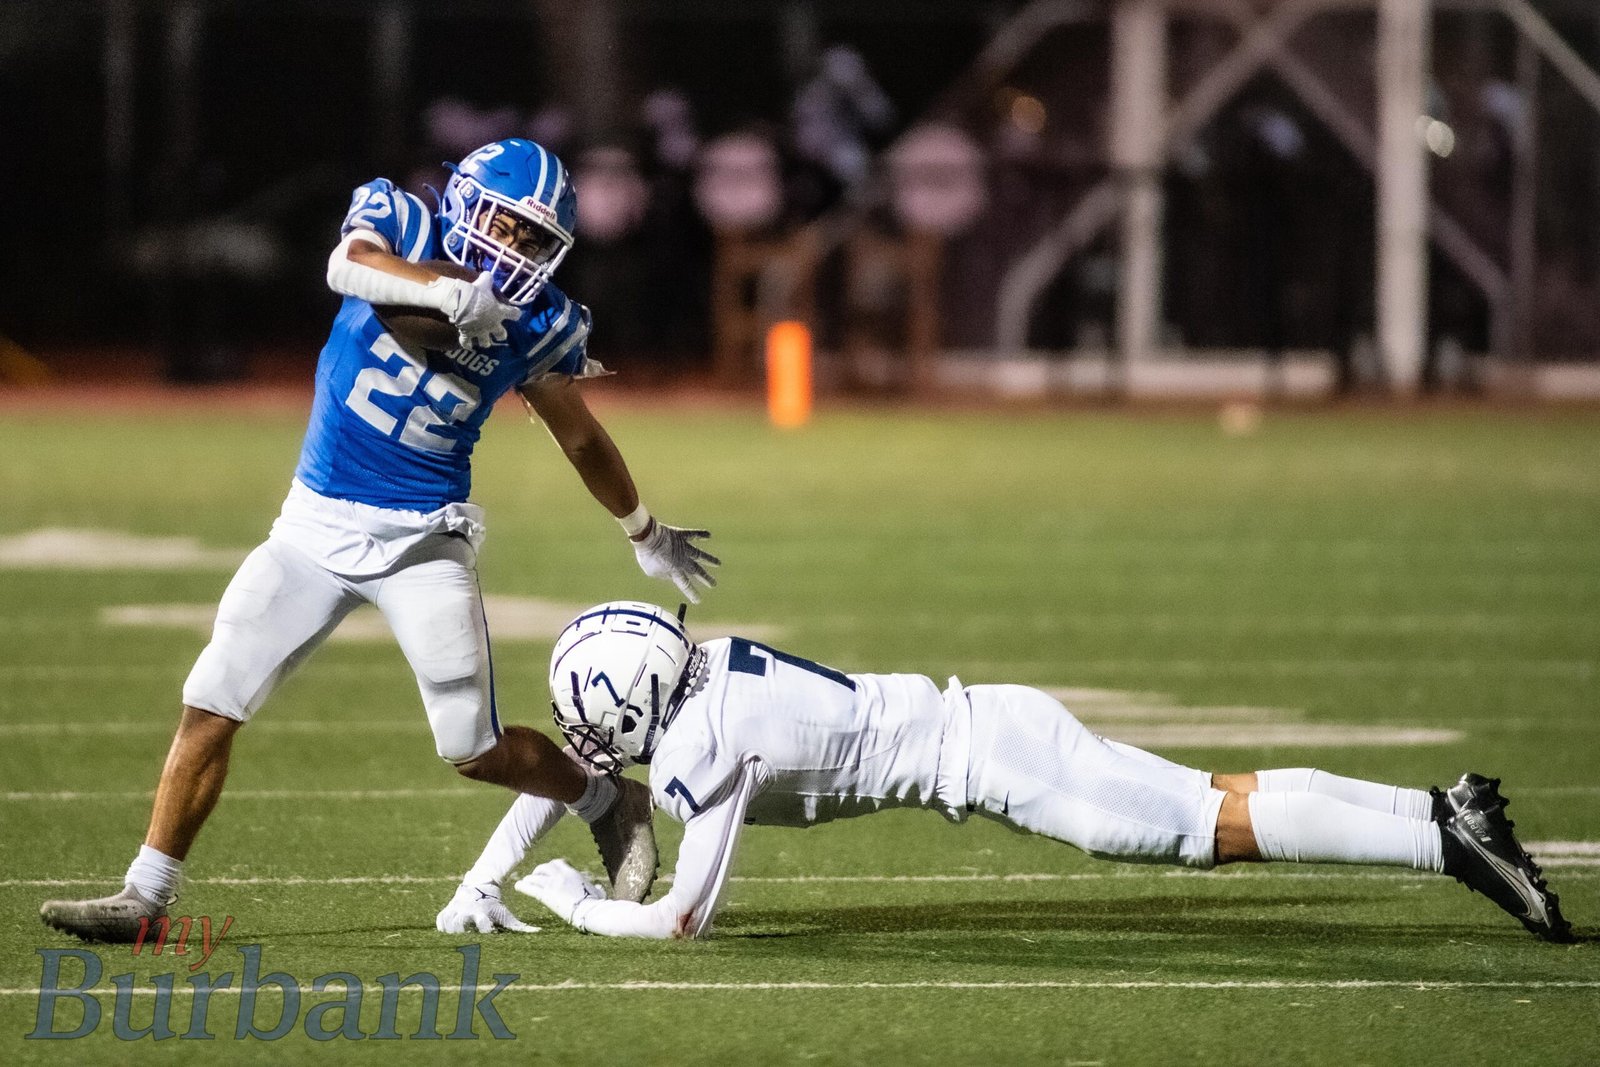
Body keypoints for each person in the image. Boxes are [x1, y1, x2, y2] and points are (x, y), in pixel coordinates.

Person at [41, 140, 720, 942]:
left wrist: (641, 527)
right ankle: (144, 897)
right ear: (467, 204)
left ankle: (609, 800)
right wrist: (452, 292)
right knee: (212, 697)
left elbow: (579, 437)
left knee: (471, 748)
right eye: (509, 225)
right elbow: (352, 266)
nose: (518, 252)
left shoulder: (539, 324)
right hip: (311, 530)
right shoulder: (401, 219)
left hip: (423, 543)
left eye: (538, 241)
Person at [436, 601, 1573, 943]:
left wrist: (583, 905)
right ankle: (1440, 812)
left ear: (636, 701)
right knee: (1217, 796)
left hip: (997, 761)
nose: (587, 736)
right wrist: (481, 882)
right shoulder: (706, 671)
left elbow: (682, 917)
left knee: (1202, 827)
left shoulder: (700, 744)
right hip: (991, 725)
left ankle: (1439, 839)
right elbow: (590, 782)